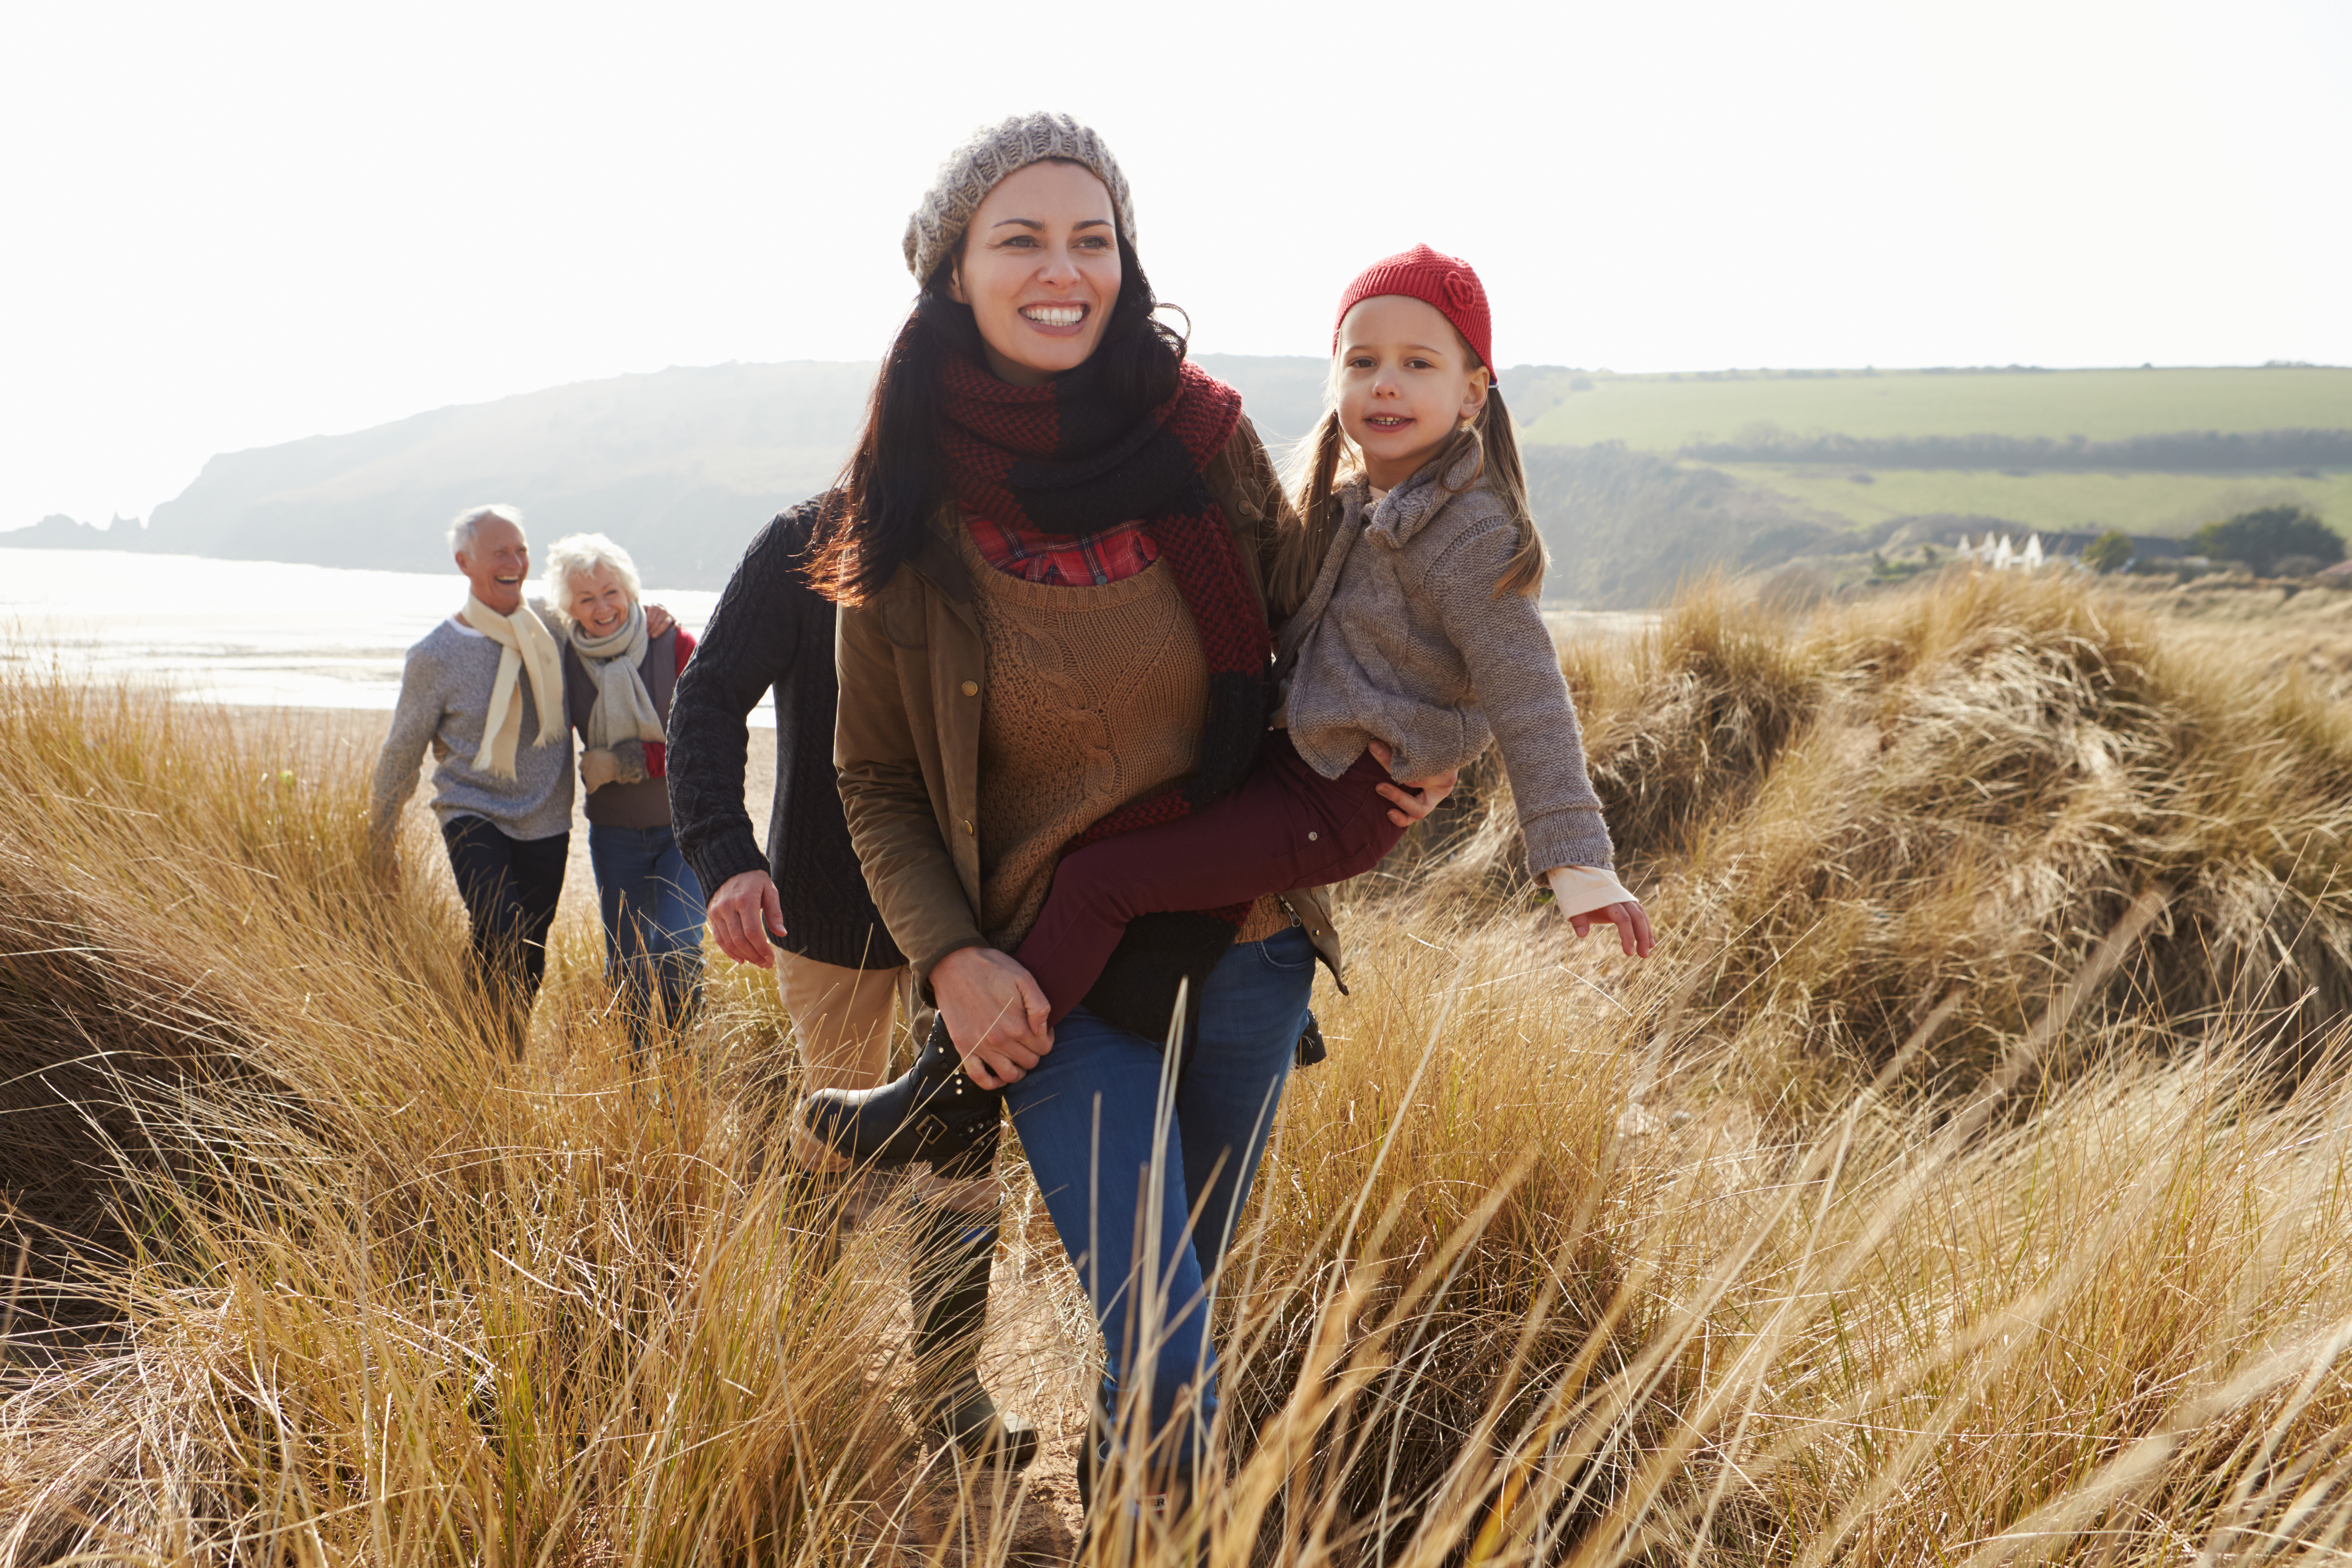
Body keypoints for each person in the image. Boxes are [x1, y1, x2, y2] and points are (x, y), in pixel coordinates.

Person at [799, 114, 1460, 1520]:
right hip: (1053, 980)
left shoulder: (1207, 446)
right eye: (1020, 238)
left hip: (1249, 950)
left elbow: (1321, 634)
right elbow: (879, 782)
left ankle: (1118, 1495)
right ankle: (1179, 1523)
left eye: (1091, 239)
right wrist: (951, 960)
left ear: (1126, 260)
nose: (1064, 268)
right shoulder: (904, 511)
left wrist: (1436, 729)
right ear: (954, 271)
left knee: (1173, 1320)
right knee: (1168, 1336)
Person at [804, 243, 1655, 1157]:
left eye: (1419, 364)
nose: (1387, 385)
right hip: (1305, 769)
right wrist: (1437, 738)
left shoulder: (1470, 530)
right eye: (1362, 362)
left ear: (1474, 391)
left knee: (1101, 880)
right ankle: (1180, 1034)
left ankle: (955, 1094)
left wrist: (1575, 862)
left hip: (1337, 796)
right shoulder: (1357, 502)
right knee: (1109, 846)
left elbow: (1524, 689)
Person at [663, 484, 1039, 1465]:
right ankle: (801, 1339)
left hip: (978, 914)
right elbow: (704, 701)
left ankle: (949, 1387)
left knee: (965, 1146)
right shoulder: (808, 539)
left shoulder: (1018, 528)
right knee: (842, 1137)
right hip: (825, 908)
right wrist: (725, 856)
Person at [371, 504, 576, 1049]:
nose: (515, 563)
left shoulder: (554, 626)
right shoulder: (434, 655)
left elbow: (612, 626)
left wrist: (651, 617)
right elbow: (402, 752)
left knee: (529, 949)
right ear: (464, 562)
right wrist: (380, 837)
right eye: (500, 552)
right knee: (501, 927)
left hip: (547, 815)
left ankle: (500, 1057)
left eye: (522, 550)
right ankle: (472, 1049)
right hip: (473, 811)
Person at [544, 533, 707, 1047]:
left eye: (611, 592)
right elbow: (512, 616)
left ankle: (687, 1074)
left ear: (631, 590)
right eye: (586, 598)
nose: (602, 607)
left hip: (684, 830)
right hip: (614, 834)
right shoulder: (564, 655)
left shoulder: (674, 644)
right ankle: (635, 1077)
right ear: (569, 607)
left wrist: (625, 762)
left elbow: (703, 740)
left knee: (679, 947)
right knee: (629, 961)